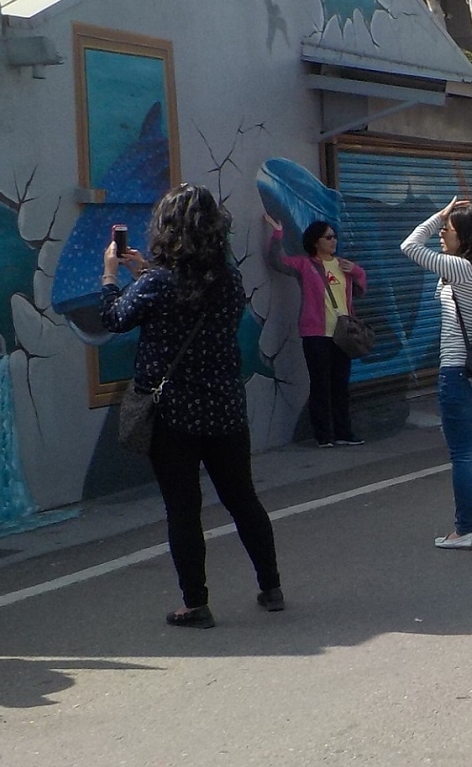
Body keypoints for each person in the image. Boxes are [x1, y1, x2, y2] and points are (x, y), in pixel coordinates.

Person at [99, 184, 282, 627]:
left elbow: (114, 318)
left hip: (173, 415)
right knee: (243, 499)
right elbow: (187, 294)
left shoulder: (157, 284)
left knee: (183, 509)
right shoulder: (229, 278)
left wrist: (111, 275)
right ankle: (270, 586)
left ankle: (195, 604)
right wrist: (147, 272)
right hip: (224, 408)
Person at [402, 201, 472, 547]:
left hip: (457, 370)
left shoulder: (459, 268)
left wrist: (436, 213)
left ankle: (464, 529)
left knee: (462, 454)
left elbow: (408, 246)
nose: (440, 233)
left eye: (447, 229)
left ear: (462, 235)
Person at [263, 215, 367, 447]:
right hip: (316, 333)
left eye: (335, 237)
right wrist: (278, 233)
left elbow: (359, 292)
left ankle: (344, 432)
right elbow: (276, 261)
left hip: (344, 335)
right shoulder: (304, 265)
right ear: (315, 241)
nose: (333, 241)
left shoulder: (343, 265)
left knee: (341, 385)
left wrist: (357, 271)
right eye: (328, 237)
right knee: (320, 384)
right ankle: (323, 435)